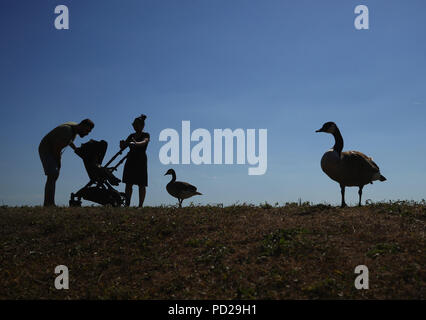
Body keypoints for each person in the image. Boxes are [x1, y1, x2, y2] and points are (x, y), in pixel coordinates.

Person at [39, 119, 95, 206]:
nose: (87, 133)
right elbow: (56, 149)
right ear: (82, 126)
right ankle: (48, 203)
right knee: (52, 175)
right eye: (87, 130)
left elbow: (68, 140)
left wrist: (76, 149)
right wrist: (58, 162)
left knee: (53, 176)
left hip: (53, 148)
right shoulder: (67, 131)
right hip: (47, 149)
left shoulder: (74, 128)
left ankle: (49, 202)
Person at [120, 114, 150, 207]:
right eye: (134, 124)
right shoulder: (131, 135)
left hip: (141, 160)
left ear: (142, 126)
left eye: (136, 124)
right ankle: (127, 204)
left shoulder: (146, 135)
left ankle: (140, 205)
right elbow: (124, 146)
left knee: (141, 184)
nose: (134, 126)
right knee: (128, 183)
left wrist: (136, 143)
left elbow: (144, 141)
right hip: (131, 160)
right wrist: (122, 144)